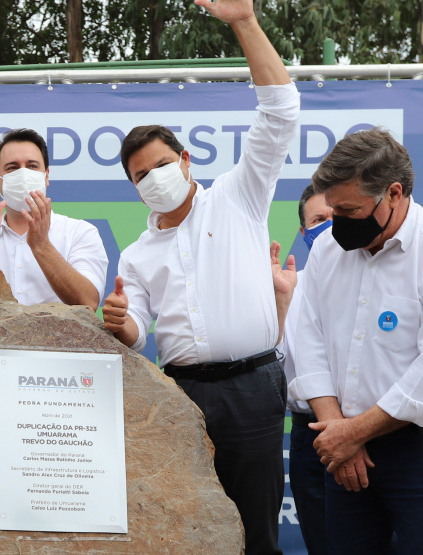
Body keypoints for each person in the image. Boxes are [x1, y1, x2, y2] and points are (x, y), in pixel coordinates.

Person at [102, 1, 300, 552]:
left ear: (186, 160)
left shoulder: (240, 196)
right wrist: (121, 325)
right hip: (181, 392)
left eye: (163, 164)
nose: (155, 178)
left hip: (253, 387)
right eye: (142, 175)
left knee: (258, 533)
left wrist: (244, 22)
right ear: (134, 187)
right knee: (189, 531)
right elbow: (140, 332)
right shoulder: (137, 254)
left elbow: (281, 112)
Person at [288, 129, 423, 553]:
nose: (337, 223)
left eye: (349, 211)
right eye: (332, 210)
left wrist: (353, 432)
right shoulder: (328, 249)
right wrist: (338, 432)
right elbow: (307, 339)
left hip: (414, 450)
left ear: (394, 194)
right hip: (340, 448)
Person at [0, 128, 108, 310]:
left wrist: (41, 245)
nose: (23, 175)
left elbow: (88, 302)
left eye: (32, 166)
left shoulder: (80, 233)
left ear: (46, 176)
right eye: (12, 168)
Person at [274, 183, 332, 555]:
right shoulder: (291, 287)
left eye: (337, 216)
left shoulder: (384, 276)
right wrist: (280, 305)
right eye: (318, 220)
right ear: (303, 231)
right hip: (311, 435)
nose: (329, 226)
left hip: (380, 429)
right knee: (324, 541)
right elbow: (275, 369)